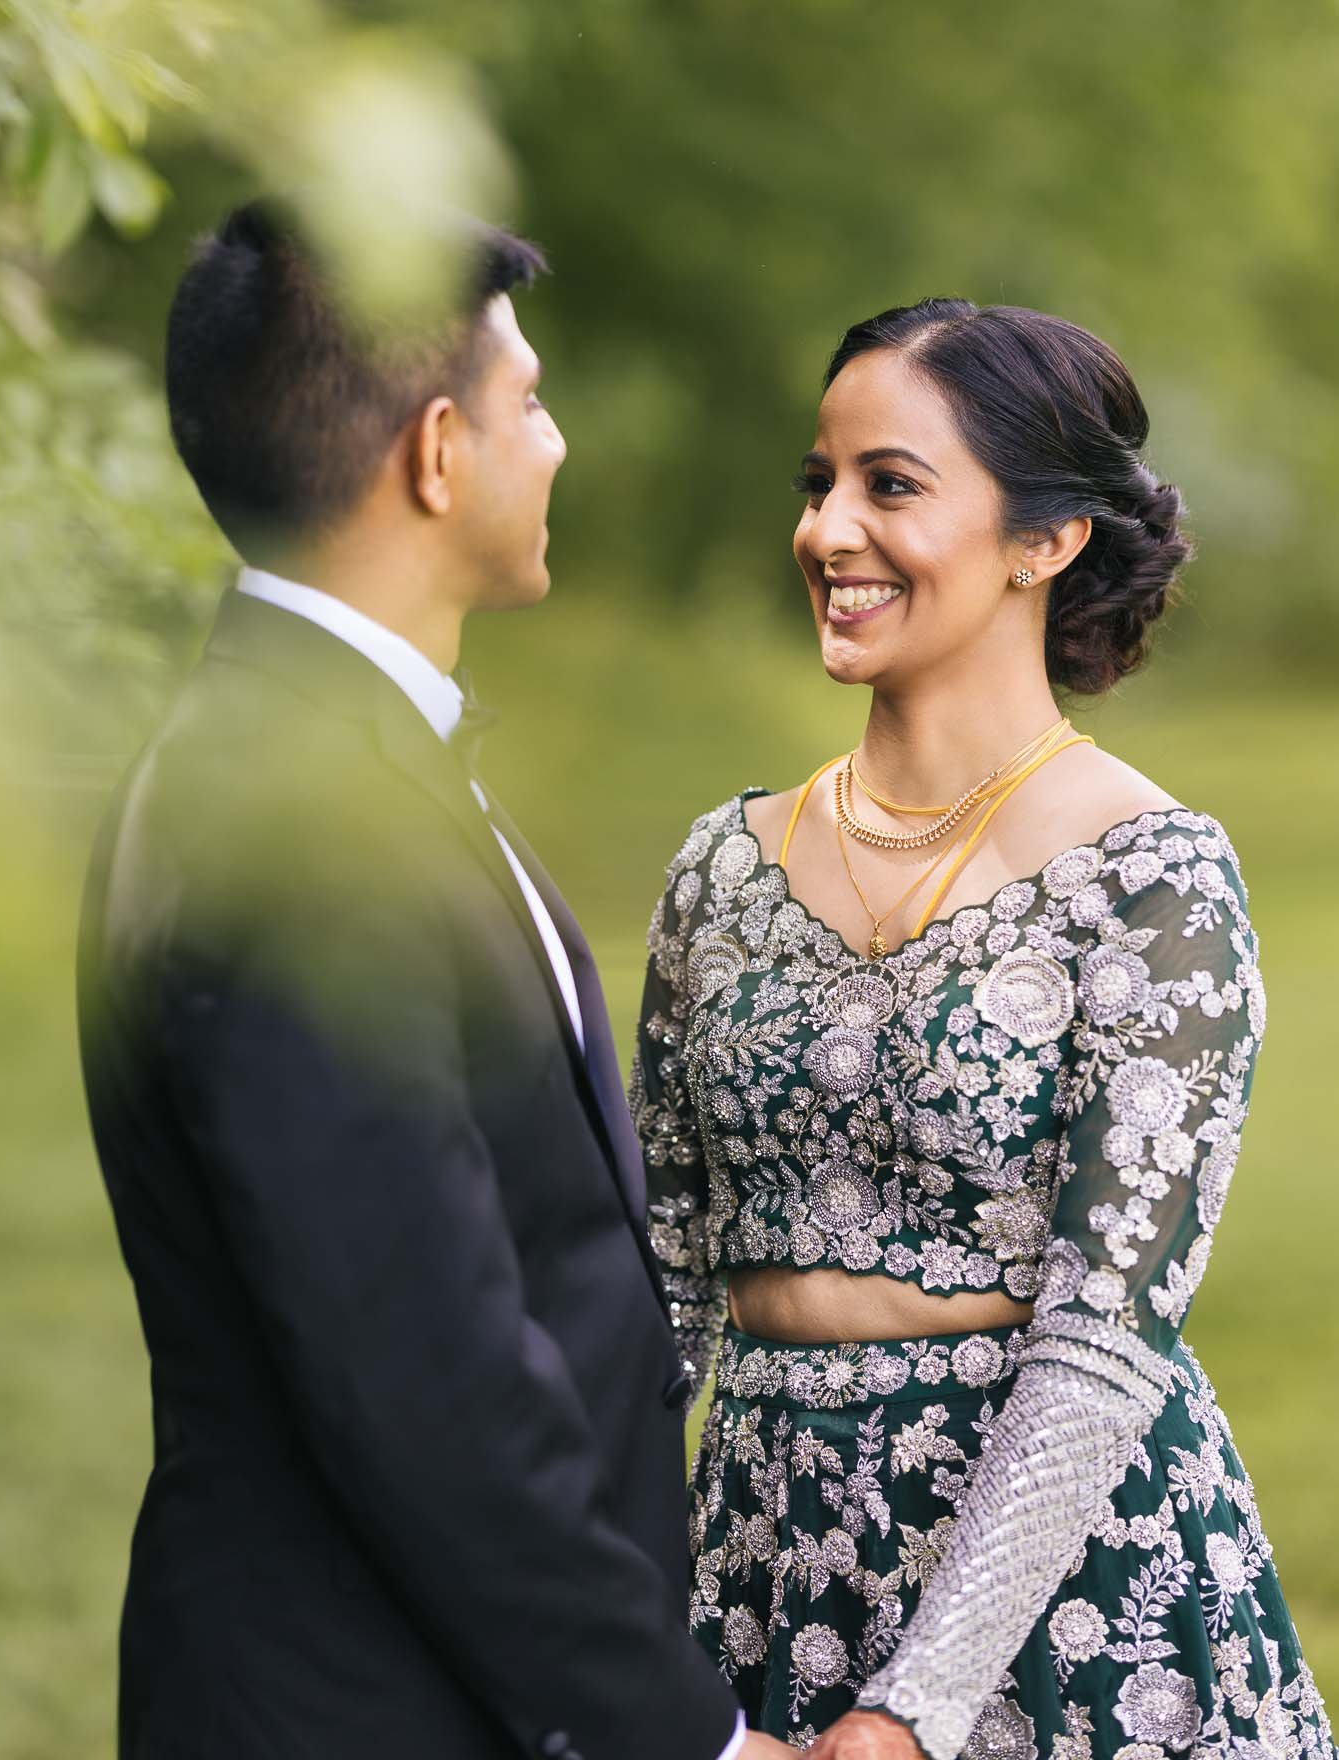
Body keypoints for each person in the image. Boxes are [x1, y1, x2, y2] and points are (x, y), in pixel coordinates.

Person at [77, 202, 789, 1760]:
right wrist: (690, 1740)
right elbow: (424, 1374)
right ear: (438, 450)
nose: (557, 442)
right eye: (530, 403)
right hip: (360, 1702)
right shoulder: (290, 826)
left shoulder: (332, 762)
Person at [629, 299, 1335, 1759]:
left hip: (1062, 1597)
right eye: (817, 484)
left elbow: (1105, 1334)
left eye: (889, 485)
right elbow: (657, 1287)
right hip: (757, 1567)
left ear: (1044, 539)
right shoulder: (719, 866)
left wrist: (914, 1705)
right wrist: (611, 1620)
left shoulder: (1149, 876)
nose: (829, 529)